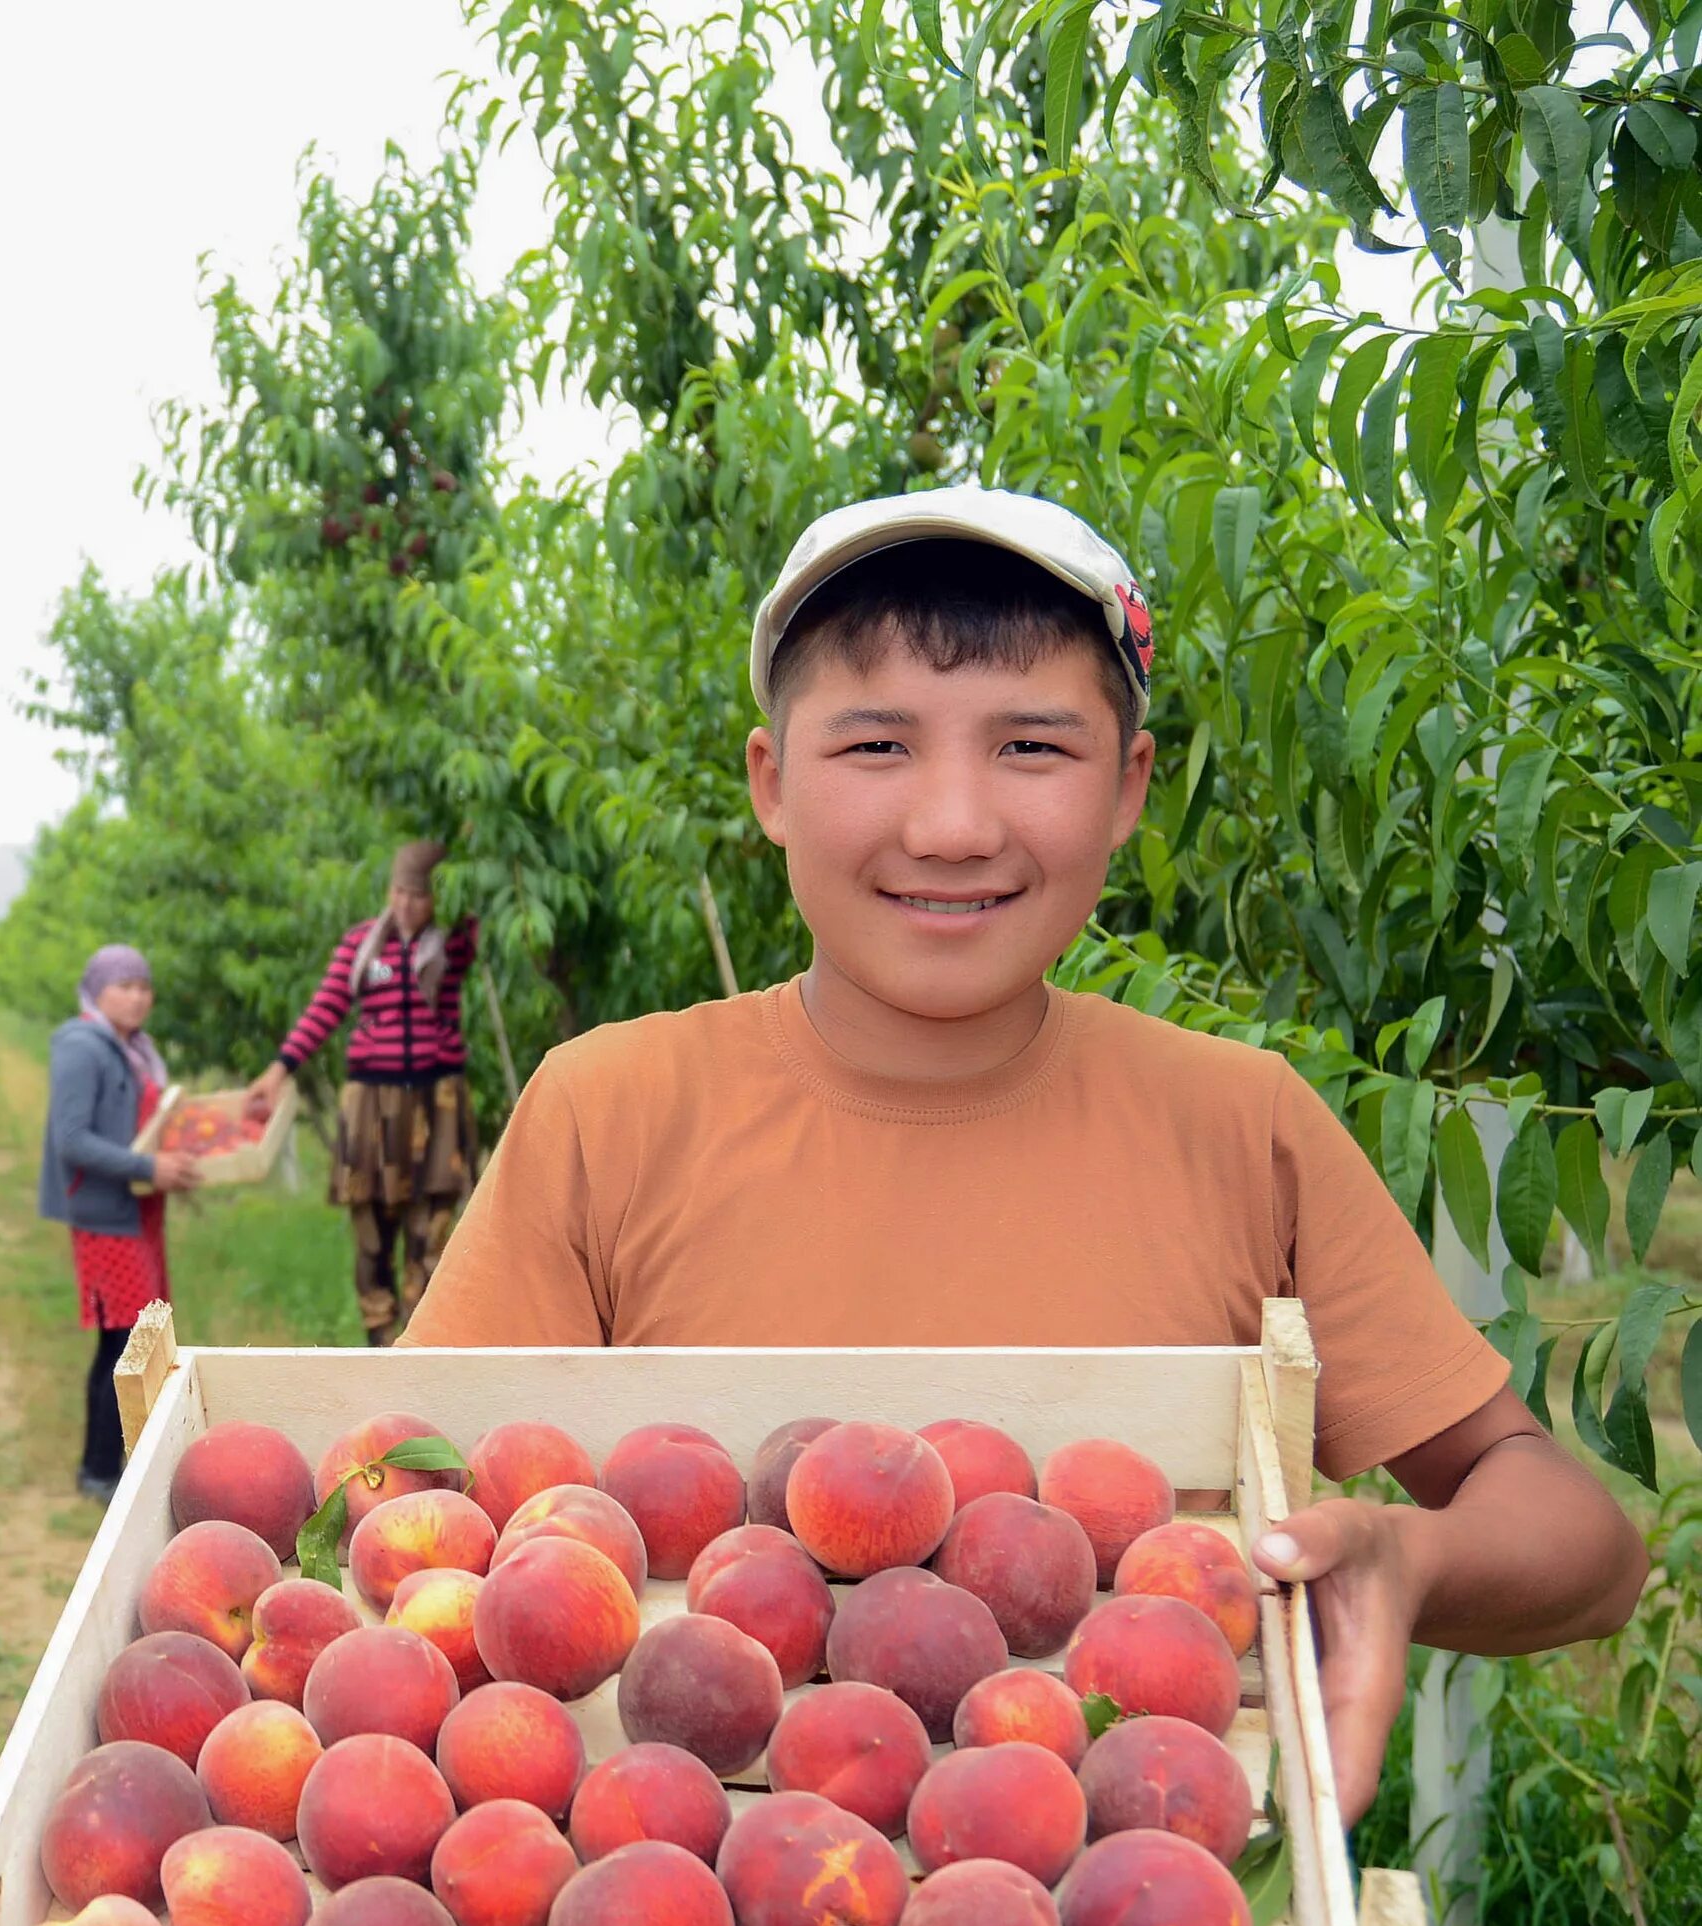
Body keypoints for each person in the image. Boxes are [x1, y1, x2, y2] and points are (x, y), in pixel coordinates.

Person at [402, 484, 1647, 1822]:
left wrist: (1403, 1558)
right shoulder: (613, 1114)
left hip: (1115, 1902)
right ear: (771, 783)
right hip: (663, 1900)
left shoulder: (1240, 1129)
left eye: (1033, 748)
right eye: (876, 745)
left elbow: (1580, 1542)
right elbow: (406, 1503)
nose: (953, 824)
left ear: (1128, 789)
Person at [242, 842, 479, 1346]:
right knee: (372, 1224)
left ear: (437, 898)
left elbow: (489, 899)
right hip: (372, 1103)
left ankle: (423, 1343)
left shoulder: (454, 943)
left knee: (433, 1224)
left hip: (437, 1100)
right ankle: (379, 1339)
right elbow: (325, 1008)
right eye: (398, 891)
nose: (406, 904)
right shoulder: (362, 946)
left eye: (419, 895)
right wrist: (280, 1069)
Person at [42, 944, 201, 1500]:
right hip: (106, 1216)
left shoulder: (132, 1048)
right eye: (124, 986)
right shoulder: (83, 1047)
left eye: (144, 986)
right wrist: (148, 1167)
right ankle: (100, 1470)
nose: (137, 997)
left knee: (138, 1337)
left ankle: (118, 1463)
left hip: (137, 1211)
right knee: (124, 1343)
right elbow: (72, 1139)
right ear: (97, 991)